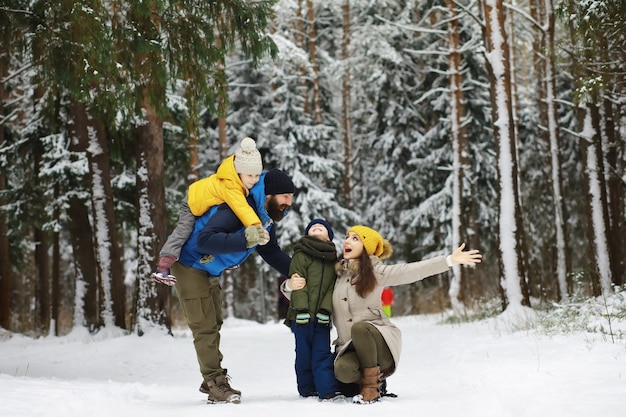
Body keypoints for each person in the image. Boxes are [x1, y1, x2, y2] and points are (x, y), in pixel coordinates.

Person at [284, 225, 481, 404]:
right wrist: (289, 286)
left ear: (366, 247)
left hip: (378, 345)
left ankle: (372, 387)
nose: (347, 241)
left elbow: (409, 271)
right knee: (342, 372)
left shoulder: (376, 271)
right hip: (349, 347)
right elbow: (311, 288)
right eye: (347, 237)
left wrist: (447, 260)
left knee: (361, 328)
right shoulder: (338, 274)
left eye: (355, 238)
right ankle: (370, 381)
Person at [171, 168, 296, 404]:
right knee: (204, 326)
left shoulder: (263, 216)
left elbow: (270, 251)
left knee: (214, 321)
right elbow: (205, 239)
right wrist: (247, 238)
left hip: (208, 268)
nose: (289, 203)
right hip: (189, 264)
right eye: (285, 197)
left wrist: (299, 272)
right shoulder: (237, 208)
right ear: (269, 194)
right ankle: (214, 382)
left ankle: (212, 376)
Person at [151, 137, 264, 285]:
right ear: (238, 173)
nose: (254, 180)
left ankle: (226, 260)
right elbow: (242, 208)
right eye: (249, 175)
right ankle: (164, 266)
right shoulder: (230, 185)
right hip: (191, 202)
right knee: (183, 231)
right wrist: (256, 225)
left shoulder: (236, 182)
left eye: (257, 175)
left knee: (220, 226)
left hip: (205, 202)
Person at [284, 219, 341, 401]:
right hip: (300, 317)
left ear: (329, 236)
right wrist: (301, 310)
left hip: (321, 318)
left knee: (322, 352)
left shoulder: (333, 258)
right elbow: (298, 283)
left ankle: (327, 389)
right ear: (307, 233)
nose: (317, 227)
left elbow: (332, 287)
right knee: (303, 353)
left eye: (322, 227)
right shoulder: (301, 255)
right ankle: (307, 388)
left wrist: (325, 311)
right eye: (313, 227)